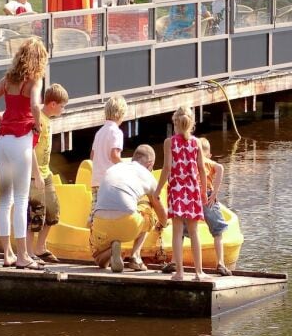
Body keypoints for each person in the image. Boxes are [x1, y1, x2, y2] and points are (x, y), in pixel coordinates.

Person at [0, 37, 48, 270]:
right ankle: (22, 256)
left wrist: (0, 117)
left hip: (3, 141)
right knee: (20, 200)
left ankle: (7, 254)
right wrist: (37, 124)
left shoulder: (8, 80)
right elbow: (36, 105)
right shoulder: (35, 80)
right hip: (21, 141)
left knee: (5, 199)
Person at [91, 145, 168, 273]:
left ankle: (111, 250)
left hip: (100, 221)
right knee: (150, 206)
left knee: (99, 260)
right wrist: (164, 223)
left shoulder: (115, 167)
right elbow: (161, 213)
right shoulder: (147, 175)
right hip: (127, 223)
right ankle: (135, 256)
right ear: (150, 164)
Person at [157, 106, 208, 282]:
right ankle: (199, 272)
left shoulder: (169, 143)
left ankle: (179, 272)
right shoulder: (197, 143)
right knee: (194, 232)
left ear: (175, 123)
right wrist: (203, 191)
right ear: (191, 124)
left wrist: (158, 190)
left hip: (177, 190)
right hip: (192, 190)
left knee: (177, 232)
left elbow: (166, 168)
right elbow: (202, 169)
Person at [28, 83, 70, 264]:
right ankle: (29, 252)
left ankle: (40, 247)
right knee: (35, 216)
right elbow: (30, 148)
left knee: (53, 212)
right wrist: (36, 173)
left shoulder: (49, 120)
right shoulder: (39, 120)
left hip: (46, 173)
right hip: (34, 175)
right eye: (62, 106)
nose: (63, 109)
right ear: (53, 104)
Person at [196, 137, 232, 276]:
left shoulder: (193, 161)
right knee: (218, 232)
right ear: (208, 154)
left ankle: (175, 261)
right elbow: (220, 168)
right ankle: (220, 263)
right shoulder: (207, 161)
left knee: (184, 230)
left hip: (193, 197)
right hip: (208, 196)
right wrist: (215, 192)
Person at [90, 95, 127, 206]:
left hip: (96, 180)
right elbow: (114, 155)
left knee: (96, 210)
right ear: (121, 114)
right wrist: (125, 167)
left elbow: (92, 156)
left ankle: (92, 223)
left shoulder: (99, 132)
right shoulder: (116, 132)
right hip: (109, 181)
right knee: (111, 209)